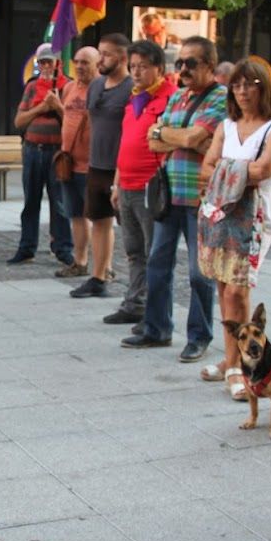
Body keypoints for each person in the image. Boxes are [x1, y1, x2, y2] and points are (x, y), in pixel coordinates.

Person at [122, 36, 226, 361]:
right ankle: (157, 329)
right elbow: (154, 139)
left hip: (201, 197)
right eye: (179, 63)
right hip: (169, 195)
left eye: (190, 63)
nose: (182, 69)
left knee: (199, 272)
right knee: (157, 264)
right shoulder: (178, 96)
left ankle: (199, 336)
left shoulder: (221, 98)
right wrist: (186, 139)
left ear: (209, 65)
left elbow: (195, 137)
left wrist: (176, 136)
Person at [195, 59, 271, 400]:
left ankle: (239, 368)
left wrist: (224, 169)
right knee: (222, 289)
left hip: (253, 218)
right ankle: (231, 359)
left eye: (250, 84)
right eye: (237, 85)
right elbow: (204, 168)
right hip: (220, 214)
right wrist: (236, 172)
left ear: (263, 87)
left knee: (238, 290)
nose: (243, 91)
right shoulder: (226, 125)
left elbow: (264, 170)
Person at [106, 40, 177, 328]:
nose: (136, 73)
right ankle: (134, 302)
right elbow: (126, 143)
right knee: (133, 249)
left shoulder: (169, 98)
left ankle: (153, 311)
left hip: (151, 186)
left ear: (158, 68)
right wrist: (117, 183)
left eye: (143, 67)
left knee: (154, 252)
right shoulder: (134, 98)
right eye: (133, 66)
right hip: (127, 185)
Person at [70, 33, 131, 298]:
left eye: (106, 54)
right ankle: (97, 276)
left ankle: (134, 283)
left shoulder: (131, 88)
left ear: (122, 57)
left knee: (129, 225)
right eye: (101, 53)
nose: (101, 59)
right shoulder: (96, 86)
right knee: (98, 219)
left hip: (122, 166)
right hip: (96, 163)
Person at [9, 43, 72, 266]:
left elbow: (73, 123)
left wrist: (58, 107)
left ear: (58, 64)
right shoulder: (32, 87)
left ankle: (63, 247)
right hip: (33, 151)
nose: (45, 66)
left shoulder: (69, 87)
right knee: (31, 201)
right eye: (42, 62)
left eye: (49, 62)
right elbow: (19, 121)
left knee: (60, 203)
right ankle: (27, 247)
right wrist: (40, 108)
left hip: (57, 153)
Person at [56, 47, 100, 277]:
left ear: (97, 64)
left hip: (93, 164)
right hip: (69, 163)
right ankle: (80, 260)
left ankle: (104, 267)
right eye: (77, 62)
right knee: (75, 215)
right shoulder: (69, 87)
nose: (80, 66)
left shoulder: (102, 89)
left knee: (99, 218)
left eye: (86, 62)